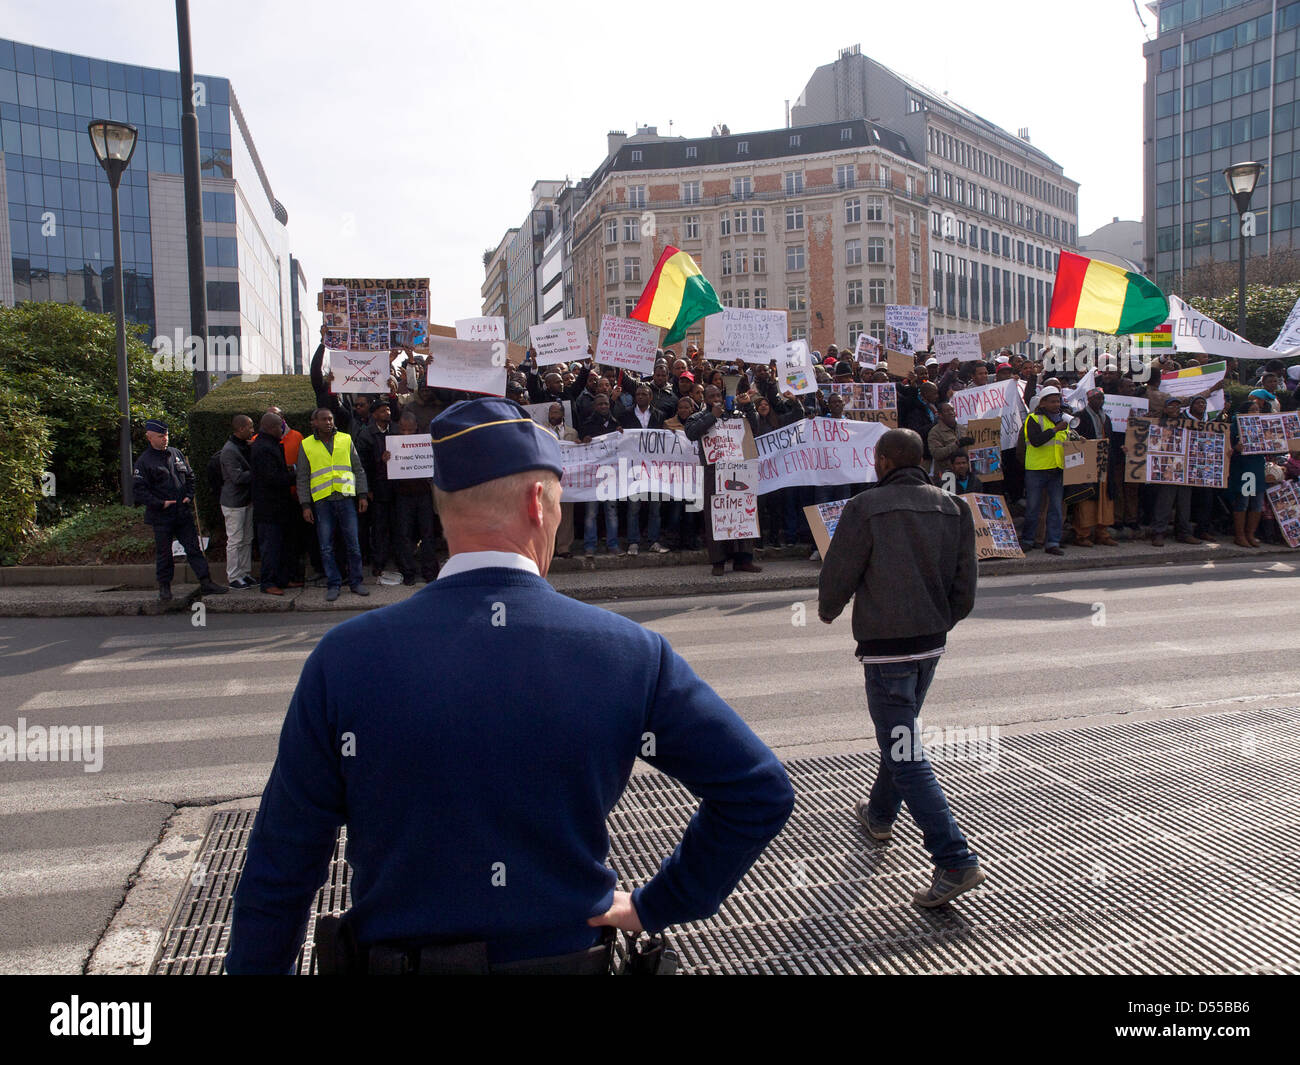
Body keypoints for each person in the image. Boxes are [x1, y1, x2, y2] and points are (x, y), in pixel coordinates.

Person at [225, 397, 794, 974]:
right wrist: (661, 902)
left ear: (444, 512)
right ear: (536, 503)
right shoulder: (629, 651)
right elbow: (758, 791)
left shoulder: (343, 659)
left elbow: (280, 867)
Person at [817, 428, 985, 908]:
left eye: (876, 458)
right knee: (903, 735)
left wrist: (829, 609)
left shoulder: (866, 507)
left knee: (906, 753)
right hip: (929, 644)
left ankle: (954, 860)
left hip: (887, 647)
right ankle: (879, 814)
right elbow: (965, 587)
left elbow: (841, 571)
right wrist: (939, 621)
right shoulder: (952, 507)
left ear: (887, 461)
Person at [132, 419, 228, 601]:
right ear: (149, 437)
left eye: (166, 435)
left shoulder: (175, 454)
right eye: (161, 436)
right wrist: (161, 503)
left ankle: (206, 582)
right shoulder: (144, 462)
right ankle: (165, 587)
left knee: (194, 548)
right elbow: (139, 491)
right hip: (161, 515)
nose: (165, 439)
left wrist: (189, 496)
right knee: (164, 553)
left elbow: (190, 476)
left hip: (182, 512)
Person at [685, 384, 762, 576]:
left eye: (719, 395)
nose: (716, 398)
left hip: (738, 469)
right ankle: (718, 561)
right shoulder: (699, 416)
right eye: (712, 396)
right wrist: (713, 416)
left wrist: (748, 407)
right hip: (714, 471)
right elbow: (691, 432)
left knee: (742, 511)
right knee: (717, 514)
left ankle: (743, 559)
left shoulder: (735, 414)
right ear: (705, 399)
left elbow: (755, 427)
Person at [297, 407, 370, 602]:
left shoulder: (346, 439)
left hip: (346, 498)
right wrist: (305, 505)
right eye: (324, 419)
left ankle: (356, 582)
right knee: (326, 547)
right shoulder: (306, 445)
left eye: (330, 419)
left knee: (353, 544)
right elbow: (302, 477)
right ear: (315, 422)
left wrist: (362, 494)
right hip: (322, 502)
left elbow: (358, 469)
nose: (328, 422)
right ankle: (334, 583)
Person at [386, 410, 439, 584]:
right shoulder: (392, 443)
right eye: (403, 430)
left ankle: (429, 571)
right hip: (403, 496)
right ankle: (408, 572)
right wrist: (385, 459)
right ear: (398, 428)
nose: (406, 433)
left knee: (428, 534)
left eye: (409, 430)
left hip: (423, 494)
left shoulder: (425, 442)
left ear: (416, 427)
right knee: (404, 534)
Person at [249, 412, 297, 595]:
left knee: (282, 545)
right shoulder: (263, 448)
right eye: (279, 426)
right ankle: (268, 583)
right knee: (270, 547)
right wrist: (294, 475)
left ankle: (283, 579)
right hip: (268, 507)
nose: (282, 429)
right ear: (270, 427)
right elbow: (272, 478)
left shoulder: (270, 444)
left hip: (279, 506)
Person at [1020, 386, 1069, 555]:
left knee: (1055, 508)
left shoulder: (1064, 420)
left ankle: (1052, 542)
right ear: (1043, 403)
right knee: (1033, 507)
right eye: (1053, 401)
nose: (1057, 404)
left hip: (1056, 470)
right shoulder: (1033, 419)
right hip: (1037, 469)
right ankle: (1028, 540)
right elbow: (1036, 441)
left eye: (1058, 400)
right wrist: (1056, 429)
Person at [1149, 397, 1201, 548]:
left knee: (1185, 503)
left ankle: (1184, 533)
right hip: (1166, 470)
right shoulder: (1157, 423)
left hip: (1184, 469)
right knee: (1164, 502)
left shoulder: (1187, 424)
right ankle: (1158, 532)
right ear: (1165, 409)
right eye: (1171, 406)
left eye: (1178, 407)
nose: (1175, 409)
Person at [578, 393, 623, 560]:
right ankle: (590, 546)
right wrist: (584, 440)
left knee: (611, 512)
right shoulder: (587, 425)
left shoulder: (617, 424)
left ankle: (613, 544)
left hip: (611, 476)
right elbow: (580, 446)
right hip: (593, 478)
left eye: (606, 404)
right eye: (600, 404)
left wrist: (621, 434)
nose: (603, 406)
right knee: (591, 512)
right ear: (594, 407)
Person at [1071, 388, 1118, 547]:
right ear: (1089, 400)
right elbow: (1074, 440)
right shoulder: (1080, 417)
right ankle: (1082, 534)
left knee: (1105, 498)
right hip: (1087, 463)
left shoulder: (1106, 418)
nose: (1099, 400)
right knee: (1087, 498)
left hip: (1105, 463)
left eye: (1101, 398)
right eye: (1096, 398)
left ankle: (1102, 533)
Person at [357, 399, 397, 578]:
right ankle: (378, 563)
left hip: (397, 488)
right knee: (379, 528)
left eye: (388, 409)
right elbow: (362, 466)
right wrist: (367, 490)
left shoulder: (396, 430)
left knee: (398, 526)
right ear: (374, 415)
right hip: (378, 489)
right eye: (382, 410)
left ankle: (398, 560)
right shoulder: (365, 435)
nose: (387, 413)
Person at [219, 415, 256, 589]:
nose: (252, 430)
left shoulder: (243, 446)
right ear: (240, 429)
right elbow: (237, 477)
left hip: (246, 499)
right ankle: (234, 576)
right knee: (235, 540)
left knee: (247, 538)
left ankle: (245, 573)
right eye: (250, 427)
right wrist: (258, 471)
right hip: (234, 502)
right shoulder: (229, 450)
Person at [1229, 397, 1267, 547]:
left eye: (1257, 410)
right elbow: (1229, 446)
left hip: (1258, 466)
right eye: (1252, 410)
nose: (1256, 412)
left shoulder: (1262, 426)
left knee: (1258, 502)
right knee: (1243, 502)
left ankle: (1250, 534)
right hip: (1245, 468)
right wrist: (1236, 447)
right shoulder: (1235, 427)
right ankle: (1240, 535)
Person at [927, 403, 974, 482]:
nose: (951, 413)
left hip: (965, 474)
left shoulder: (962, 428)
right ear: (940, 415)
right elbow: (937, 454)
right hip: (947, 476)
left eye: (952, 410)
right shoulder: (935, 433)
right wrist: (957, 444)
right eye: (947, 411)